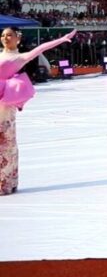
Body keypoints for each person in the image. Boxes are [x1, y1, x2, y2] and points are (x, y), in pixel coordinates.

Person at [0, 27, 76, 194]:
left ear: (17, 39)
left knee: (6, 142)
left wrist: (62, 39)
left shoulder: (20, 57)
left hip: (4, 104)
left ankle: (6, 182)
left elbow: (42, 48)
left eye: (10, 35)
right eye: (3, 35)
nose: (6, 38)